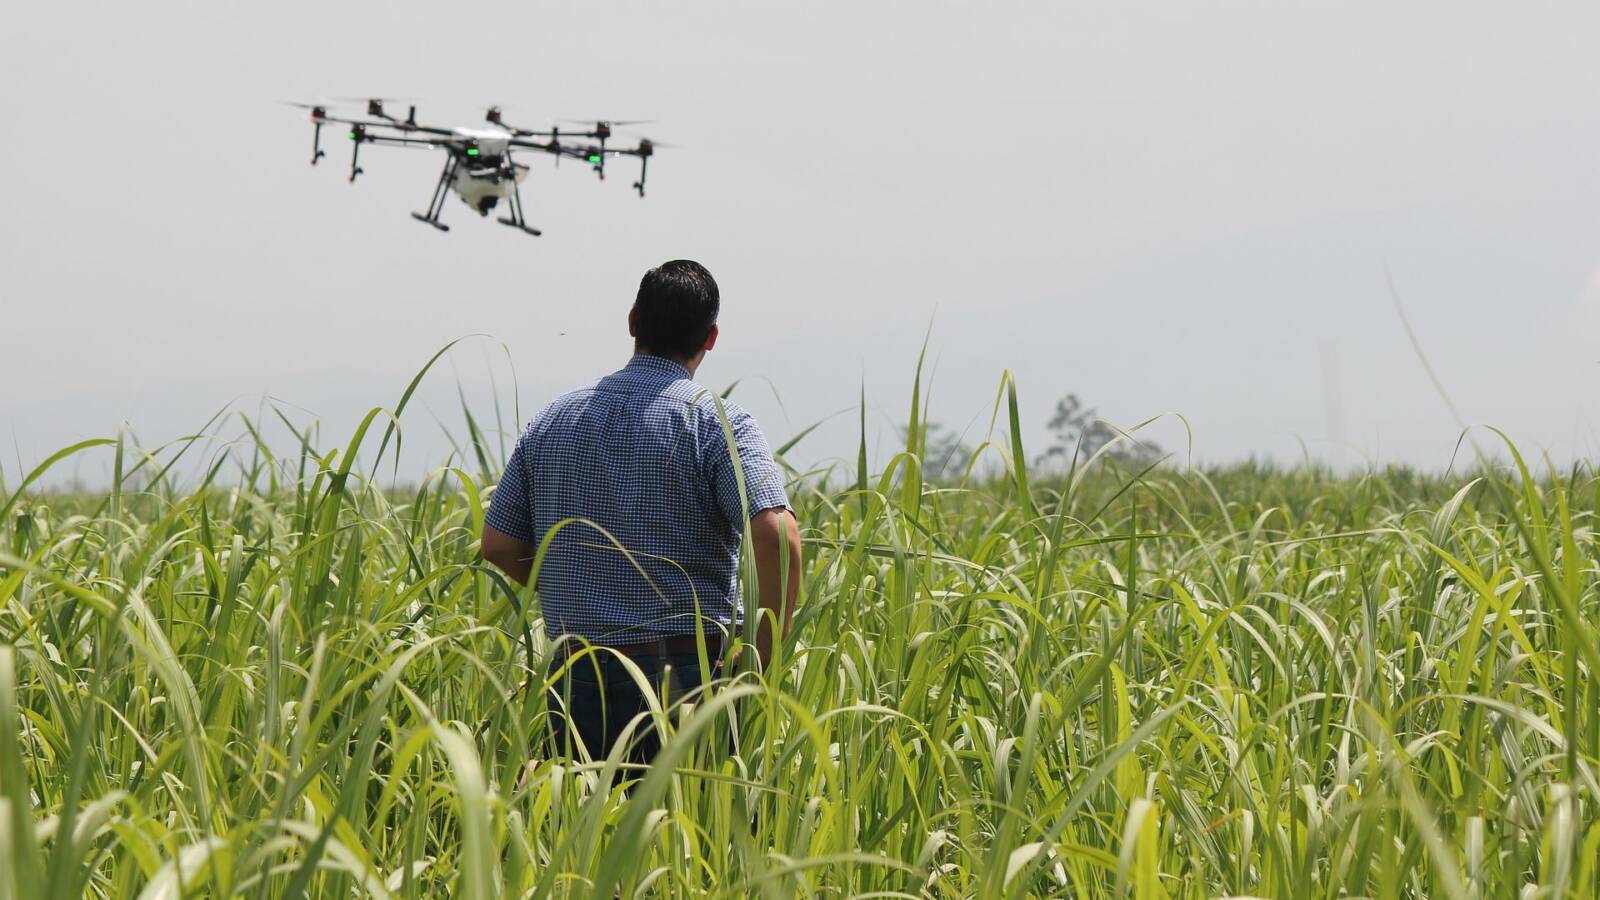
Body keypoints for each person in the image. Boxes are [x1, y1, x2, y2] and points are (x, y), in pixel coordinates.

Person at [480, 259, 802, 766]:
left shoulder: (552, 421)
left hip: (579, 670)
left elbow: (498, 544)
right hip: (688, 674)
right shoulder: (718, 422)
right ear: (711, 337)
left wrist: (576, 584)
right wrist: (756, 658)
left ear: (632, 321)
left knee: (579, 836)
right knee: (688, 835)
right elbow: (778, 535)